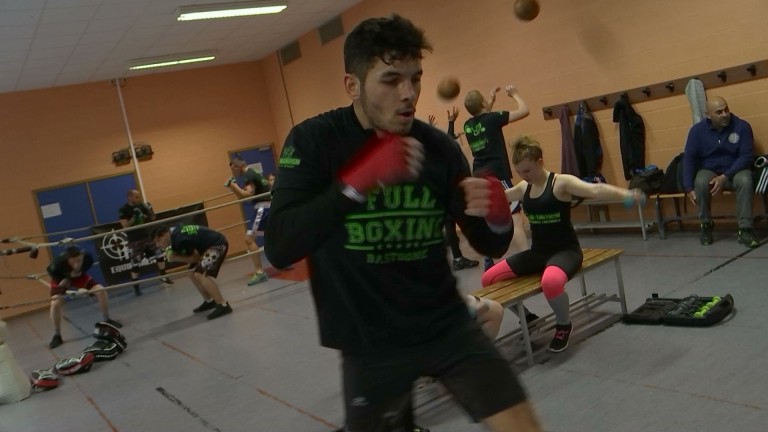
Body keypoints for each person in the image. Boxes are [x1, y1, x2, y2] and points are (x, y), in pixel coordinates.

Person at [266, 15, 542, 431]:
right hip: (368, 340)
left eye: (415, 78)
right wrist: (356, 184)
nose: (408, 93)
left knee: (522, 424)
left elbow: (489, 244)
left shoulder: (439, 148)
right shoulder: (314, 141)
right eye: (391, 79)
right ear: (352, 85)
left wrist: (498, 216)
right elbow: (280, 245)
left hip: (446, 322)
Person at [482, 136, 644, 353]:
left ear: (540, 162)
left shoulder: (561, 182)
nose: (524, 176)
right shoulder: (523, 187)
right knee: (488, 278)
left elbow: (595, 190)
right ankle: (529, 318)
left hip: (566, 251)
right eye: (520, 172)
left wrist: (627, 194)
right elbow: (500, 198)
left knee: (551, 282)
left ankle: (563, 325)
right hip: (538, 253)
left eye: (528, 170)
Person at [463, 84, 531, 270]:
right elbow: (524, 111)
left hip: (479, 176)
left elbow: (484, 118)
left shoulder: (468, 126)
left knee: (486, 220)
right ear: (483, 103)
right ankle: (527, 258)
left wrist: (491, 100)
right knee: (516, 218)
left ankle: (488, 259)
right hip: (497, 176)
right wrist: (515, 95)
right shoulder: (492, 119)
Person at [682, 96, 759, 248]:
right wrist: (688, 188)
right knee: (701, 181)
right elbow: (689, 159)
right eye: (719, 112)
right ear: (708, 115)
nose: (725, 114)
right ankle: (706, 224)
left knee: (745, 179)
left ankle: (745, 229)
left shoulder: (742, 127)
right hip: (710, 169)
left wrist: (725, 177)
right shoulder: (697, 131)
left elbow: (746, 157)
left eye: (726, 109)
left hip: (735, 170)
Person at [47, 245, 122, 349]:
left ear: (82, 256)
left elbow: (83, 270)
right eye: (73, 262)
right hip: (61, 278)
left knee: (101, 291)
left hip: (79, 276)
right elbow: (52, 273)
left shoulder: (87, 258)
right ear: (67, 259)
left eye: (78, 260)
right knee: (55, 304)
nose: (76, 264)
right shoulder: (57, 264)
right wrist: (69, 282)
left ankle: (107, 320)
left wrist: (80, 280)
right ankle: (57, 335)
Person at [433, 108, 480, 271]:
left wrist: (451, 123)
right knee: (456, 223)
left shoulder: (439, 150)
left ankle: (457, 258)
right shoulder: (439, 153)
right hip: (450, 194)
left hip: (447, 193)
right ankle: (457, 257)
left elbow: (447, 139)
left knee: (449, 225)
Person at [153, 225, 232, 320]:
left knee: (200, 274)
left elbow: (195, 258)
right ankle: (209, 301)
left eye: (158, 241)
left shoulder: (180, 239)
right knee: (191, 273)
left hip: (217, 245)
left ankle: (223, 304)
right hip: (210, 246)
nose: (157, 245)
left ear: (165, 235)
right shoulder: (175, 233)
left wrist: (175, 258)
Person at [226, 157, 272, 285]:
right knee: (271, 235)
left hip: (262, 208)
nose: (233, 173)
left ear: (237, 166)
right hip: (266, 206)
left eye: (233, 170)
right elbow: (245, 194)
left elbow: (247, 196)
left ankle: (259, 272)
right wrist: (235, 188)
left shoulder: (248, 175)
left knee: (249, 239)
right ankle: (283, 260)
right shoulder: (254, 172)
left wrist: (233, 186)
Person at [119, 189, 173, 297]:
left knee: (159, 253)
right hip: (135, 240)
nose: (139, 199)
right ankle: (136, 287)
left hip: (147, 237)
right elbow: (124, 226)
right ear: (130, 197)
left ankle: (163, 276)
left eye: (139, 196)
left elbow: (153, 218)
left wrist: (149, 210)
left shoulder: (142, 205)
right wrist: (134, 216)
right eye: (137, 197)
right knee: (136, 262)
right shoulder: (123, 209)